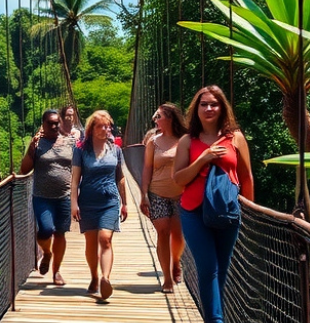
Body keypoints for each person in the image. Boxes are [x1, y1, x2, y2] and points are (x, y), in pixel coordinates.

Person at [171, 85, 255, 323]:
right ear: (196, 109)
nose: (209, 109)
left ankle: (210, 320)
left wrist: (251, 213)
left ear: (222, 108)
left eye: (214, 104)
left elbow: (246, 176)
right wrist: (203, 159)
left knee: (222, 270)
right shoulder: (187, 141)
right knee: (208, 268)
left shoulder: (236, 139)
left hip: (227, 212)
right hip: (194, 211)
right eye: (203, 104)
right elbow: (178, 179)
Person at [71, 110, 129, 301]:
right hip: (87, 200)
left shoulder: (116, 150)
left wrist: (125, 203)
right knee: (90, 243)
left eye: (108, 126)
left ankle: (105, 278)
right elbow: (75, 180)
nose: (106, 129)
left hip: (110, 200)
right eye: (101, 126)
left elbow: (120, 177)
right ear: (92, 128)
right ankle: (94, 277)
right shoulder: (80, 151)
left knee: (105, 238)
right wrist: (73, 203)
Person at [20, 109, 74, 286]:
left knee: (60, 233)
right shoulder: (38, 143)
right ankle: (47, 252)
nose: (54, 126)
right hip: (42, 196)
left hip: (64, 196)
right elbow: (25, 169)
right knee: (45, 229)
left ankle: (56, 272)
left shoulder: (70, 142)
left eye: (56, 122)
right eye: (49, 123)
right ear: (43, 124)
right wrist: (32, 148)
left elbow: (80, 165)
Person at [140, 103, 187, 293]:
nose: (155, 120)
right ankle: (167, 277)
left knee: (177, 234)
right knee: (163, 232)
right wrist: (143, 194)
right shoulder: (153, 141)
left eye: (159, 116)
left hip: (181, 194)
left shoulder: (185, 140)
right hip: (157, 192)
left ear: (170, 117)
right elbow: (147, 168)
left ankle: (175, 261)